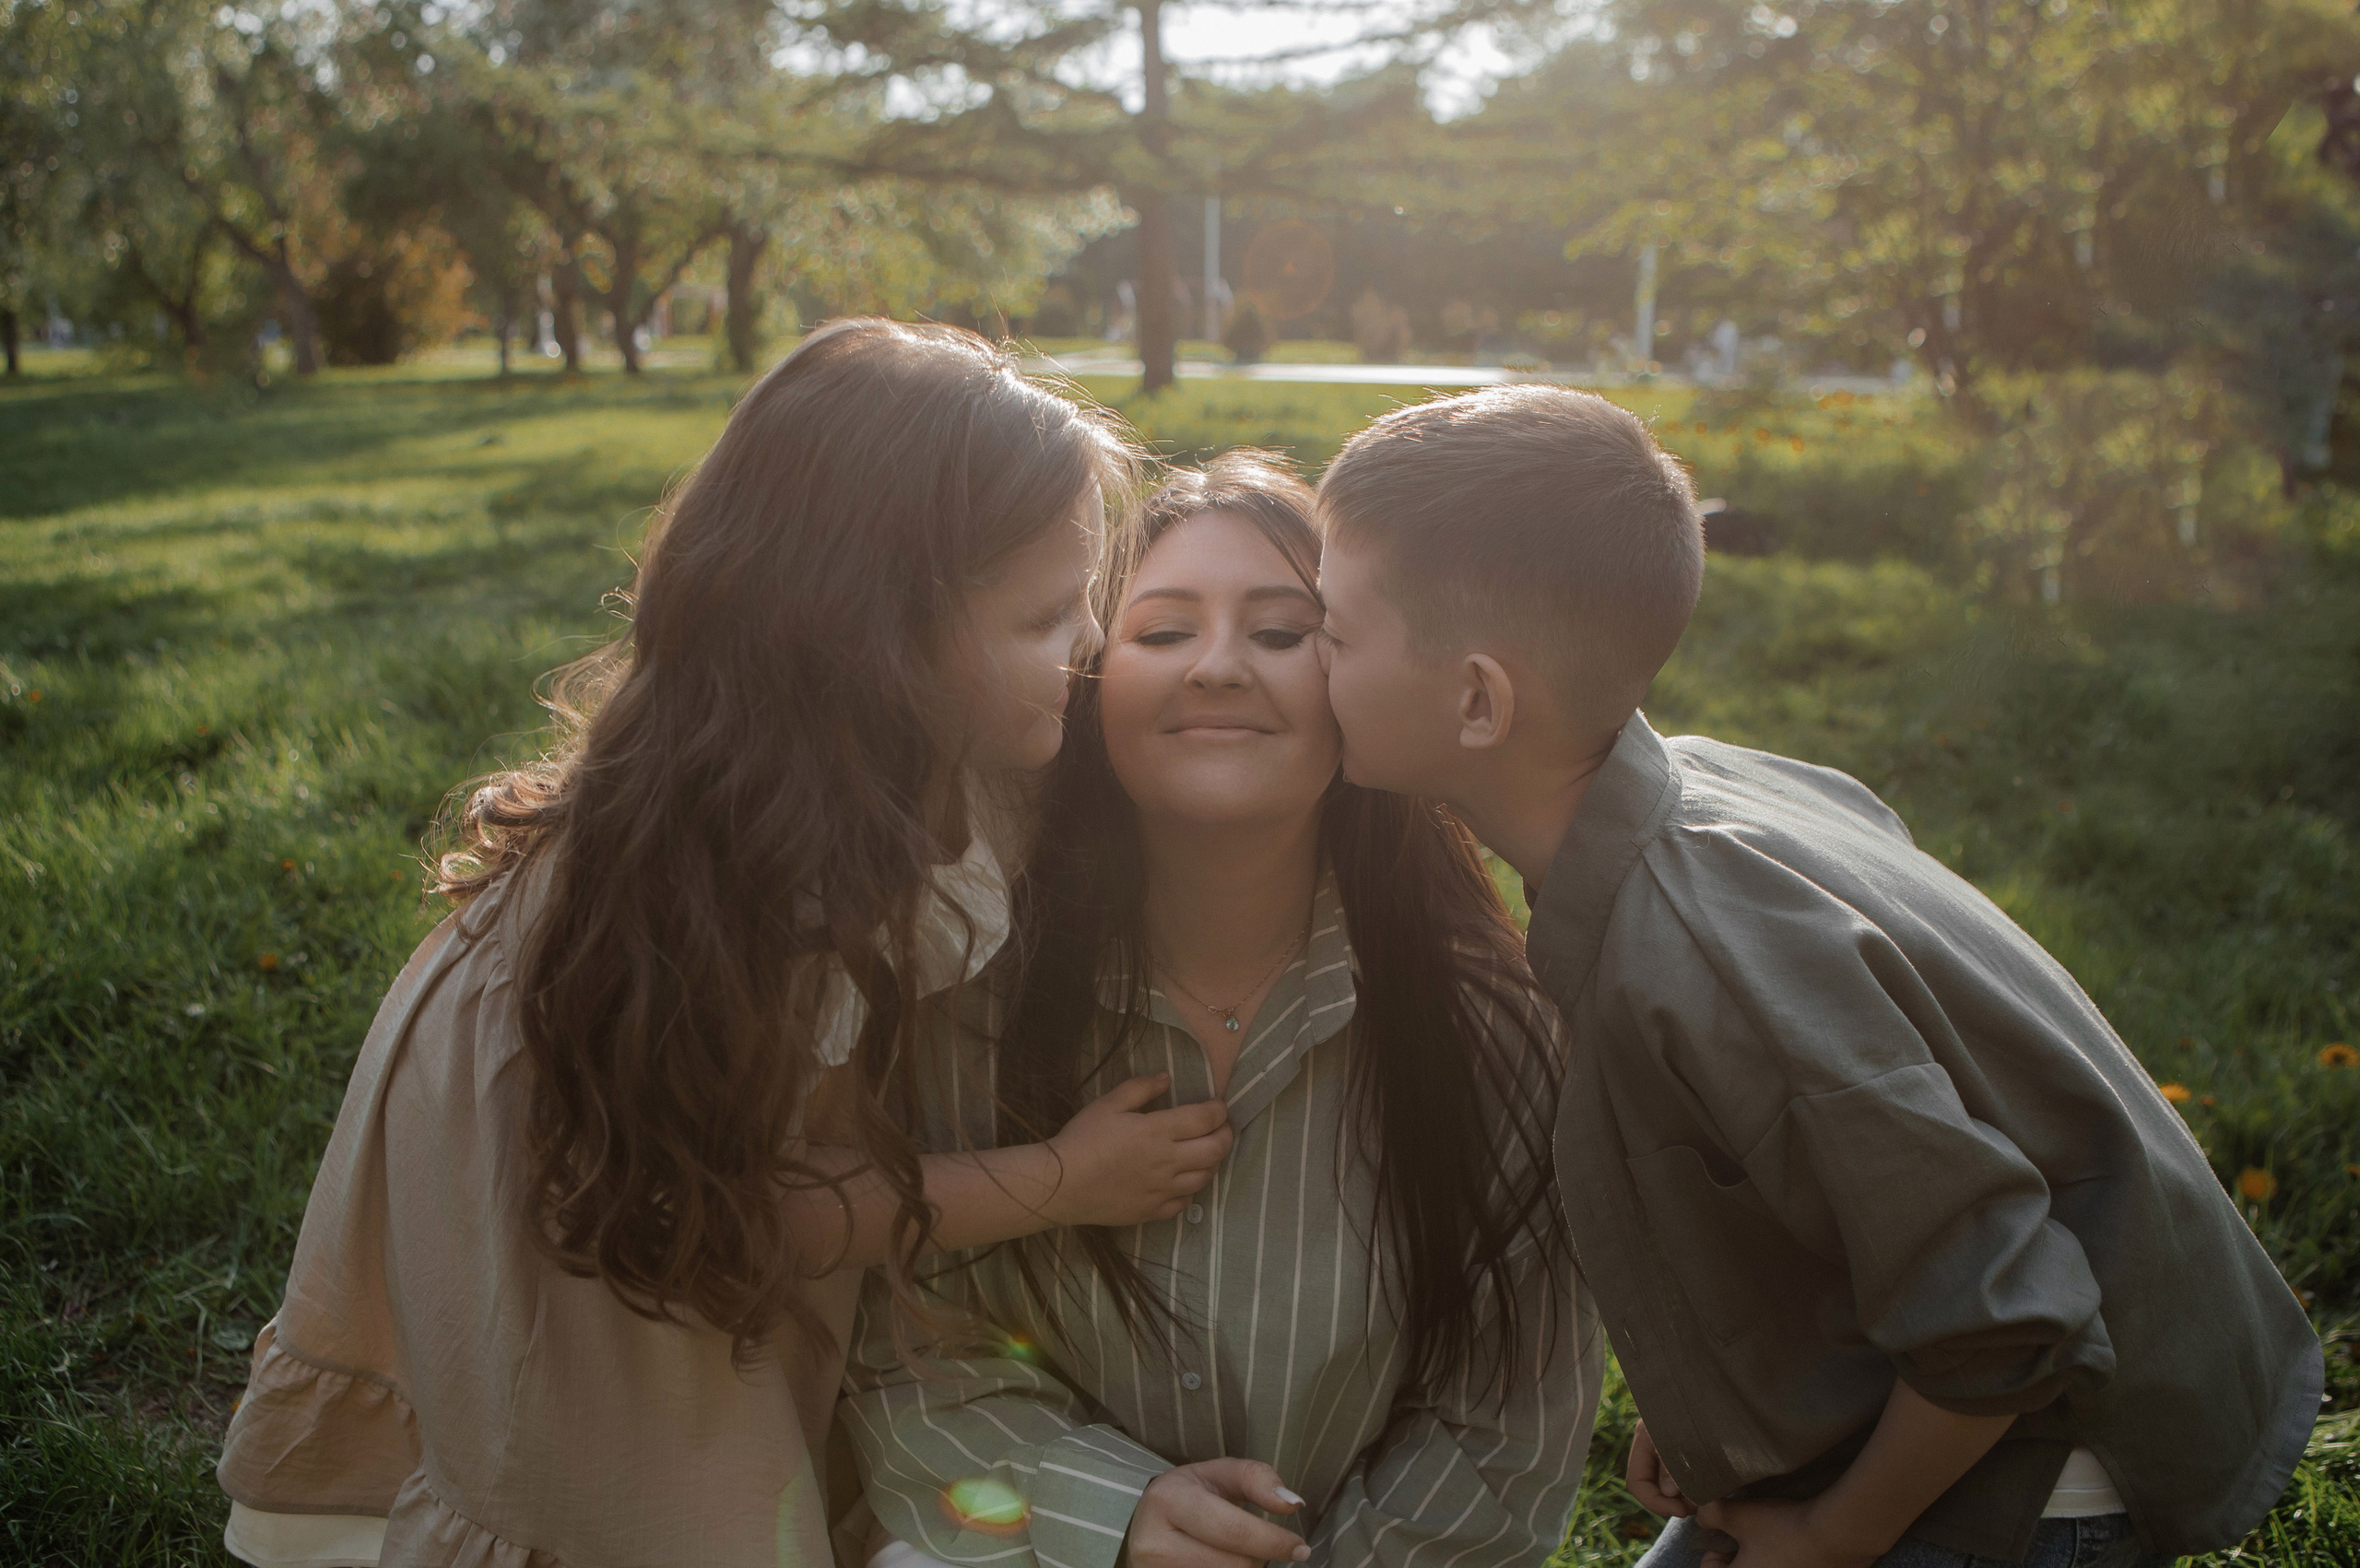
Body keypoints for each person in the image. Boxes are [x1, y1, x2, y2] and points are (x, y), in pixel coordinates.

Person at [214, 321, 1238, 1568]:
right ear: (881, 644)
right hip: (609, 1283)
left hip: (601, 1197)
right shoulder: (776, 895)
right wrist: (1065, 1177)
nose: (1086, 642)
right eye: (1043, 615)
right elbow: (759, 1212)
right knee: (643, 1492)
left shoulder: (784, 770)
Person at [1310, 384, 2325, 1568]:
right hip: (1916, 1411)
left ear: (1478, 700)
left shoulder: (1699, 957)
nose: (1308, 664)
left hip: (2015, 1484)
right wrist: (1726, 1395)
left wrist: (1835, 1532)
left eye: (1332, 634)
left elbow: (2005, 1312)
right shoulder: (1695, 786)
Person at [838, 453, 1602, 1568]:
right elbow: (915, 1358)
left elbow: (1504, 1423)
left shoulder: (1497, 1030)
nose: (1218, 668)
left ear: (1360, 683)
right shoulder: (962, 1000)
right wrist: (1112, 1519)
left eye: (1282, 633)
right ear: (1086, 684)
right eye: (1161, 633)